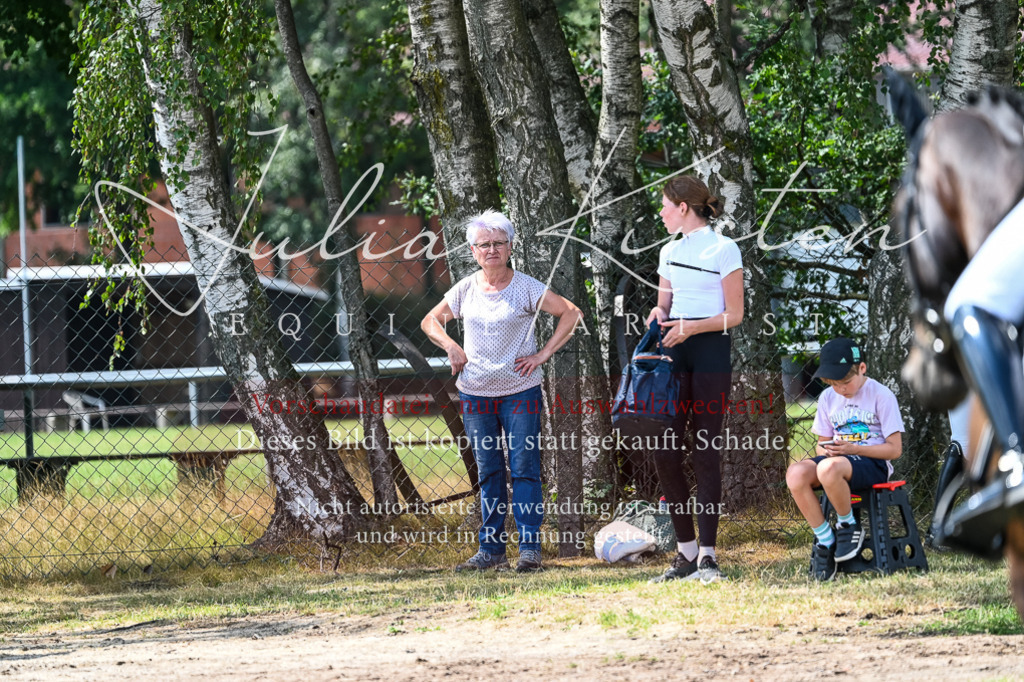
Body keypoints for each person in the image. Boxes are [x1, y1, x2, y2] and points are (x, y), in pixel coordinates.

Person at [421, 209, 582, 573]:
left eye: (498, 243)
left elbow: (571, 313)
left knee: (524, 469)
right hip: (475, 394)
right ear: (473, 251)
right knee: (489, 471)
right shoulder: (465, 289)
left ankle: (529, 550)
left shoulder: (526, 287)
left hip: (520, 392)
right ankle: (491, 550)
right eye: (484, 244)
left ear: (510, 247)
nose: (491, 250)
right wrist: (451, 346)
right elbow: (429, 321)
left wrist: (542, 354)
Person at [645, 175, 744, 584]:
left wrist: (692, 328)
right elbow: (664, 305)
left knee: (705, 450)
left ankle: (708, 556)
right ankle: (685, 551)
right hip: (674, 350)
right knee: (664, 449)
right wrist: (658, 315)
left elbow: (734, 315)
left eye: (665, 206)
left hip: (709, 352)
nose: (661, 213)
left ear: (683, 207)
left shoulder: (724, 248)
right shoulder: (668, 251)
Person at [785, 338, 905, 580]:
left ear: (862, 368)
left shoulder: (881, 395)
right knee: (795, 474)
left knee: (828, 469)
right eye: (833, 384)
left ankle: (847, 525)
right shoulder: (827, 398)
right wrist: (827, 452)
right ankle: (826, 540)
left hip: (872, 464)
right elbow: (822, 444)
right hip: (837, 462)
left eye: (845, 382)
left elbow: (894, 450)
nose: (840, 389)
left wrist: (854, 449)